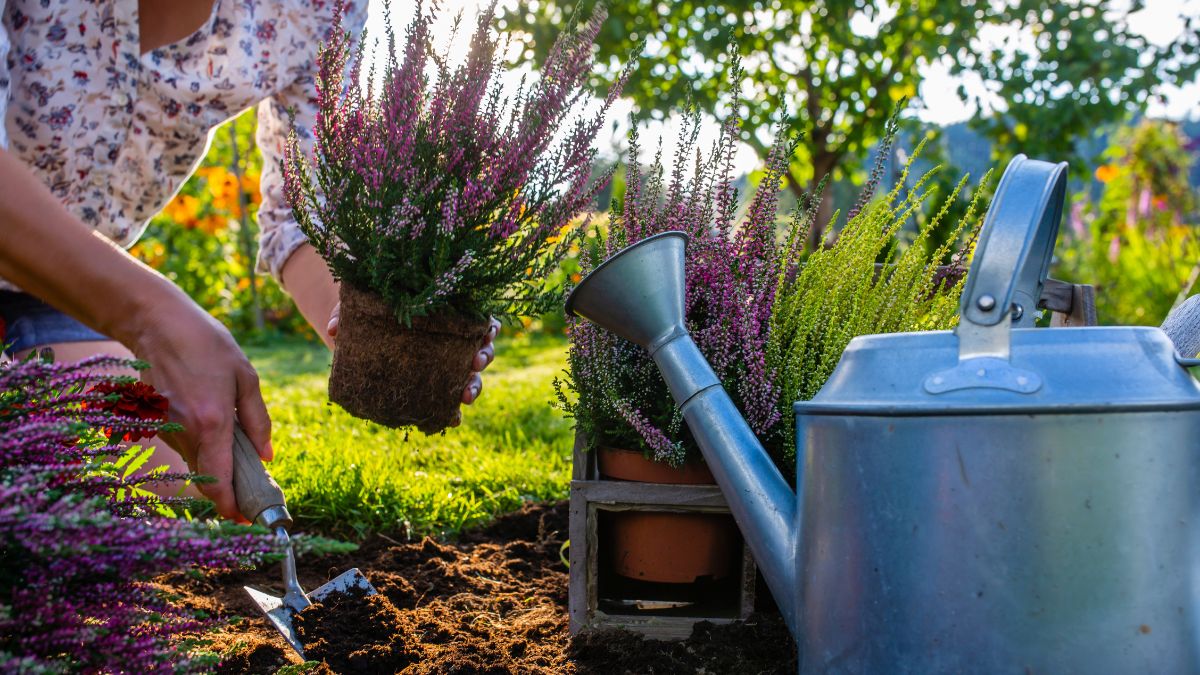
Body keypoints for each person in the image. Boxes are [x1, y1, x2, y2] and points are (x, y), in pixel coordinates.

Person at [0, 0, 499, 521]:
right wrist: (151, 319)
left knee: (184, 476)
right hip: (87, 285)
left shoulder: (319, 9)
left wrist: (374, 325)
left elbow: (302, 215)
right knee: (40, 483)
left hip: (63, 295)